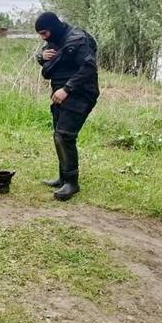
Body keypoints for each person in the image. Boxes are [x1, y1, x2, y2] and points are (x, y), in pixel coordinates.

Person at [34, 11, 99, 201]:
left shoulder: (77, 39)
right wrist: (41, 56)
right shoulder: (57, 38)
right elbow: (51, 63)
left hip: (80, 93)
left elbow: (89, 67)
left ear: (53, 28)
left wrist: (67, 89)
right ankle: (63, 177)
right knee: (58, 135)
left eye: (44, 33)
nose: (43, 38)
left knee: (65, 135)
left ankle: (72, 183)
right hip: (60, 94)